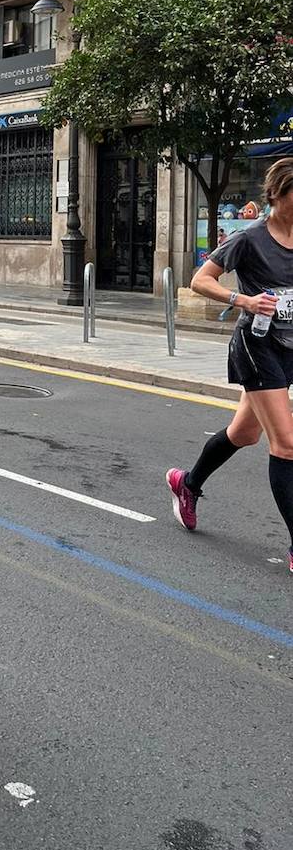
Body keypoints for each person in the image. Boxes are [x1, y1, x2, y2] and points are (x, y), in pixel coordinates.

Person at [170, 157, 293, 572]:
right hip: (256, 347)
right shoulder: (251, 238)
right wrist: (243, 300)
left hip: (289, 346)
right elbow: (199, 280)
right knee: (287, 443)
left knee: (244, 434)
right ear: (276, 195)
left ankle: (187, 483)